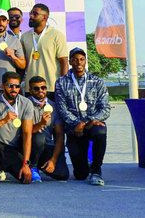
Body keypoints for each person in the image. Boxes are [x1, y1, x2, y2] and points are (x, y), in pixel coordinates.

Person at [55, 48, 110, 186]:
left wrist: (86, 122)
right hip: (73, 129)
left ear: (85, 61)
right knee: (80, 174)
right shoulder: (61, 82)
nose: (78, 62)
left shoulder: (97, 82)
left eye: (81, 59)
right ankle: (85, 167)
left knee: (101, 131)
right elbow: (62, 109)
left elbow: (105, 108)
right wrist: (76, 124)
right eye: (74, 59)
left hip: (92, 125)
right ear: (70, 61)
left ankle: (96, 170)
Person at [0, 72, 37, 185]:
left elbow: (27, 134)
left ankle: (1, 165)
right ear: (2, 86)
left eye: (17, 86)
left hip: (12, 148)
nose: (14, 89)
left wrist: (25, 164)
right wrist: (3, 120)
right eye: (10, 86)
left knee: (25, 179)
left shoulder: (26, 103)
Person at [27, 75, 69, 181]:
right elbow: (25, 131)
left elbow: (59, 135)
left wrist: (53, 160)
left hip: (47, 146)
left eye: (43, 88)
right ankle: (33, 167)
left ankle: (43, 163)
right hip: (28, 146)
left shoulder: (54, 106)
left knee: (62, 175)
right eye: (36, 88)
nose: (40, 91)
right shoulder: (25, 104)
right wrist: (41, 124)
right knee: (39, 136)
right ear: (30, 90)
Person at [21, 4, 69, 95]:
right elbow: (22, 63)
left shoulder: (56, 35)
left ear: (45, 17)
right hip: (30, 88)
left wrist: (63, 85)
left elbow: (64, 61)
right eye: (31, 13)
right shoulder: (24, 37)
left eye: (35, 14)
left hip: (51, 87)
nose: (31, 16)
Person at [0, 9, 26, 84]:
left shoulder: (15, 40)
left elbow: (22, 65)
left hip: (10, 85)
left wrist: (13, 56)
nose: (1, 23)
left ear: (7, 22)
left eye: (4, 20)